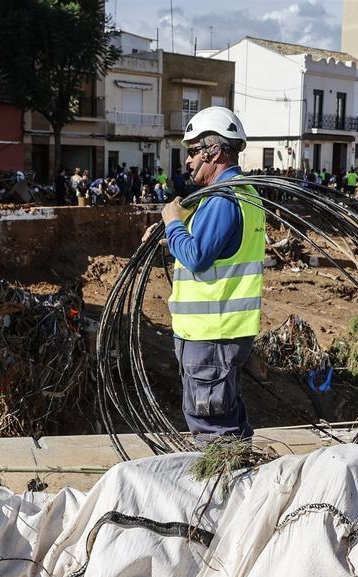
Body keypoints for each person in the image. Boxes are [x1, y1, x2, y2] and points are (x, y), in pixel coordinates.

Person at [143, 106, 263, 443]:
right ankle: (238, 482)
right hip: (221, 332)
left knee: (213, 432)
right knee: (227, 421)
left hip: (212, 335)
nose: (188, 160)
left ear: (216, 151)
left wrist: (173, 220)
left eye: (194, 151)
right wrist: (172, 236)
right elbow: (217, 249)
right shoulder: (241, 193)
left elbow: (196, 257)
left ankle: (221, 492)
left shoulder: (222, 199)